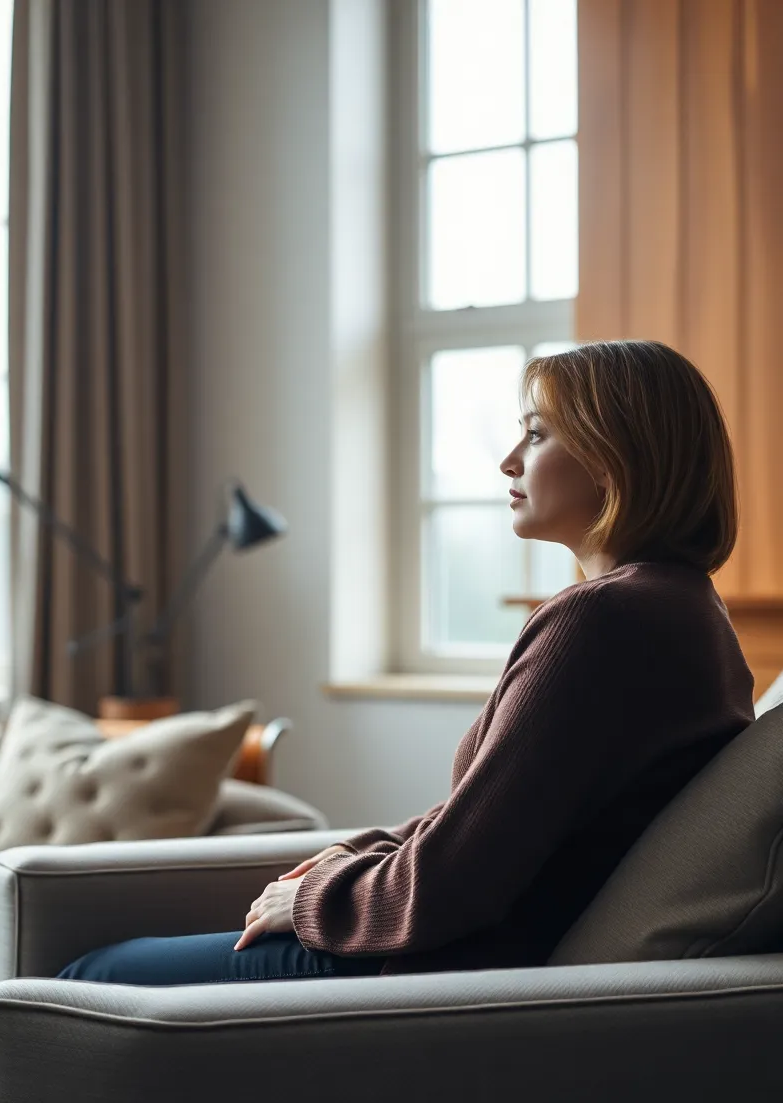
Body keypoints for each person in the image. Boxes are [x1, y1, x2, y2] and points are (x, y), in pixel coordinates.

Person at [58, 339, 755, 986]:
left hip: (439, 977)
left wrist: (312, 899)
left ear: (614, 460)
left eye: (537, 435)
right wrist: (355, 854)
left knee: (92, 976)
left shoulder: (601, 621)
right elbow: (490, 820)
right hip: (487, 958)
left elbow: (459, 881)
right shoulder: (688, 610)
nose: (510, 460)